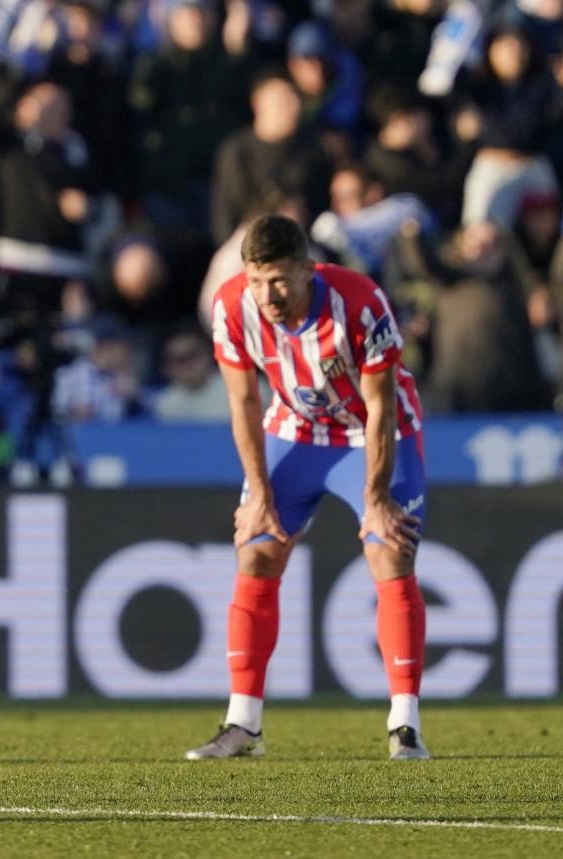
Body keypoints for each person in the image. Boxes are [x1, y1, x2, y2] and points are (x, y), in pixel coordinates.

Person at [187, 214, 429, 762]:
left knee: (390, 551)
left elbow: (380, 406)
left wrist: (376, 498)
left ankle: (404, 725)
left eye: (278, 280)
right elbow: (243, 401)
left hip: (370, 432)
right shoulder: (232, 307)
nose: (267, 295)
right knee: (257, 551)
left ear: (306, 270)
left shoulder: (360, 303)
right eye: (256, 280)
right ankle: (243, 724)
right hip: (295, 430)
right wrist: (259, 494)